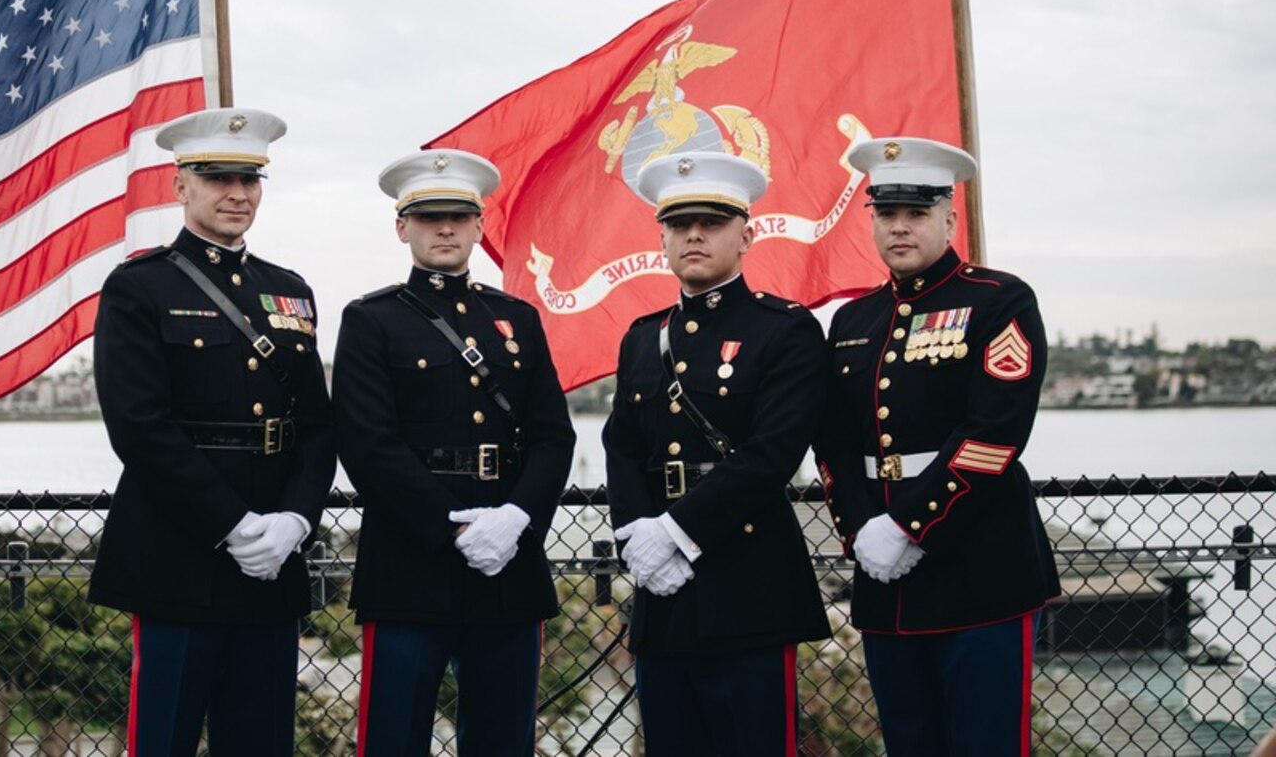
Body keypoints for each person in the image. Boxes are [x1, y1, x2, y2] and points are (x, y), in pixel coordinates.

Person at [87, 107, 335, 757]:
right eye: (218, 176)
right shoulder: (139, 286)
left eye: (249, 179)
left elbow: (316, 426)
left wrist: (295, 520)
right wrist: (234, 523)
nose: (237, 193)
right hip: (180, 554)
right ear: (180, 186)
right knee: (164, 738)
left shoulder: (290, 291)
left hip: (273, 562)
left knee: (261, 742)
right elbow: (139, 427)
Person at [812, 136, 1058, 756]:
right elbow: (834, 438)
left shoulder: (998, 300)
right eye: (886, 214)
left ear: (949, 219)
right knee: (910, 742)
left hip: (980, 568)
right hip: (885, 578)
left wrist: (909, 527)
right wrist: (863, 529)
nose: (899, 227)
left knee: (986, 744)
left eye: (916, 213)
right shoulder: (852, 320)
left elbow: (993, 435)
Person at [331, 148, 576, 756]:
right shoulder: (371, 320)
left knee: (503, 740)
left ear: (478, 226)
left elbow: (553, 435)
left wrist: (516, 519)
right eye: (429, 216)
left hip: (508, 561)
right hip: (411, 560)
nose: (445, 228)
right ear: (402, 226)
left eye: (459, 217)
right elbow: (368, 443)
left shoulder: (516, 318)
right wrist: (455, 529)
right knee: (394, 737)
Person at [602, 151, 831, 755]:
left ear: (746, 234)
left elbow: (771, 453)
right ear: (663, 240)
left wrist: (675, 530)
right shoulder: (641, 338)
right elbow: (621, 447)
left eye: (712, 222)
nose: (695, 235)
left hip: (748, 579)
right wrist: (635, 537)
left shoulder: (784, 330)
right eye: (680, 225)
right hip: (663, 590)